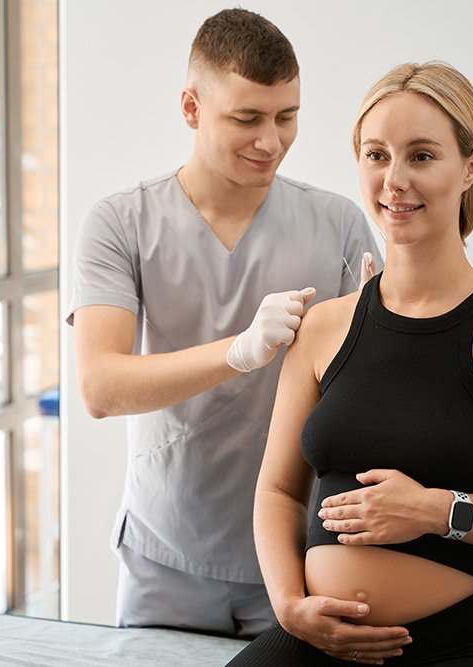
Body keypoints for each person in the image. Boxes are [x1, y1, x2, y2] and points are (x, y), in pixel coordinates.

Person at [227, 61, 473, 665]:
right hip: (322, 641)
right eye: (376, 155)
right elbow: (277, 490)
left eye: (421, 156)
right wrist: (290, 607)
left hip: (469, 643)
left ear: (470, 167)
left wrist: (436, 510)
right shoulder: (322, 328)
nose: (394, 180)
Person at [66, 8, 381, 638]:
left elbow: (372, 402)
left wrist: (377, 342)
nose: (271, 140)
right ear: (191, 108)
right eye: (247, 118)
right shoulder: (120, 224)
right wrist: (238, 351)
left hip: (296, 556)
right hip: (165, 556)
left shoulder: (340, 225)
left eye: (286, 117)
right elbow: (100, 388)